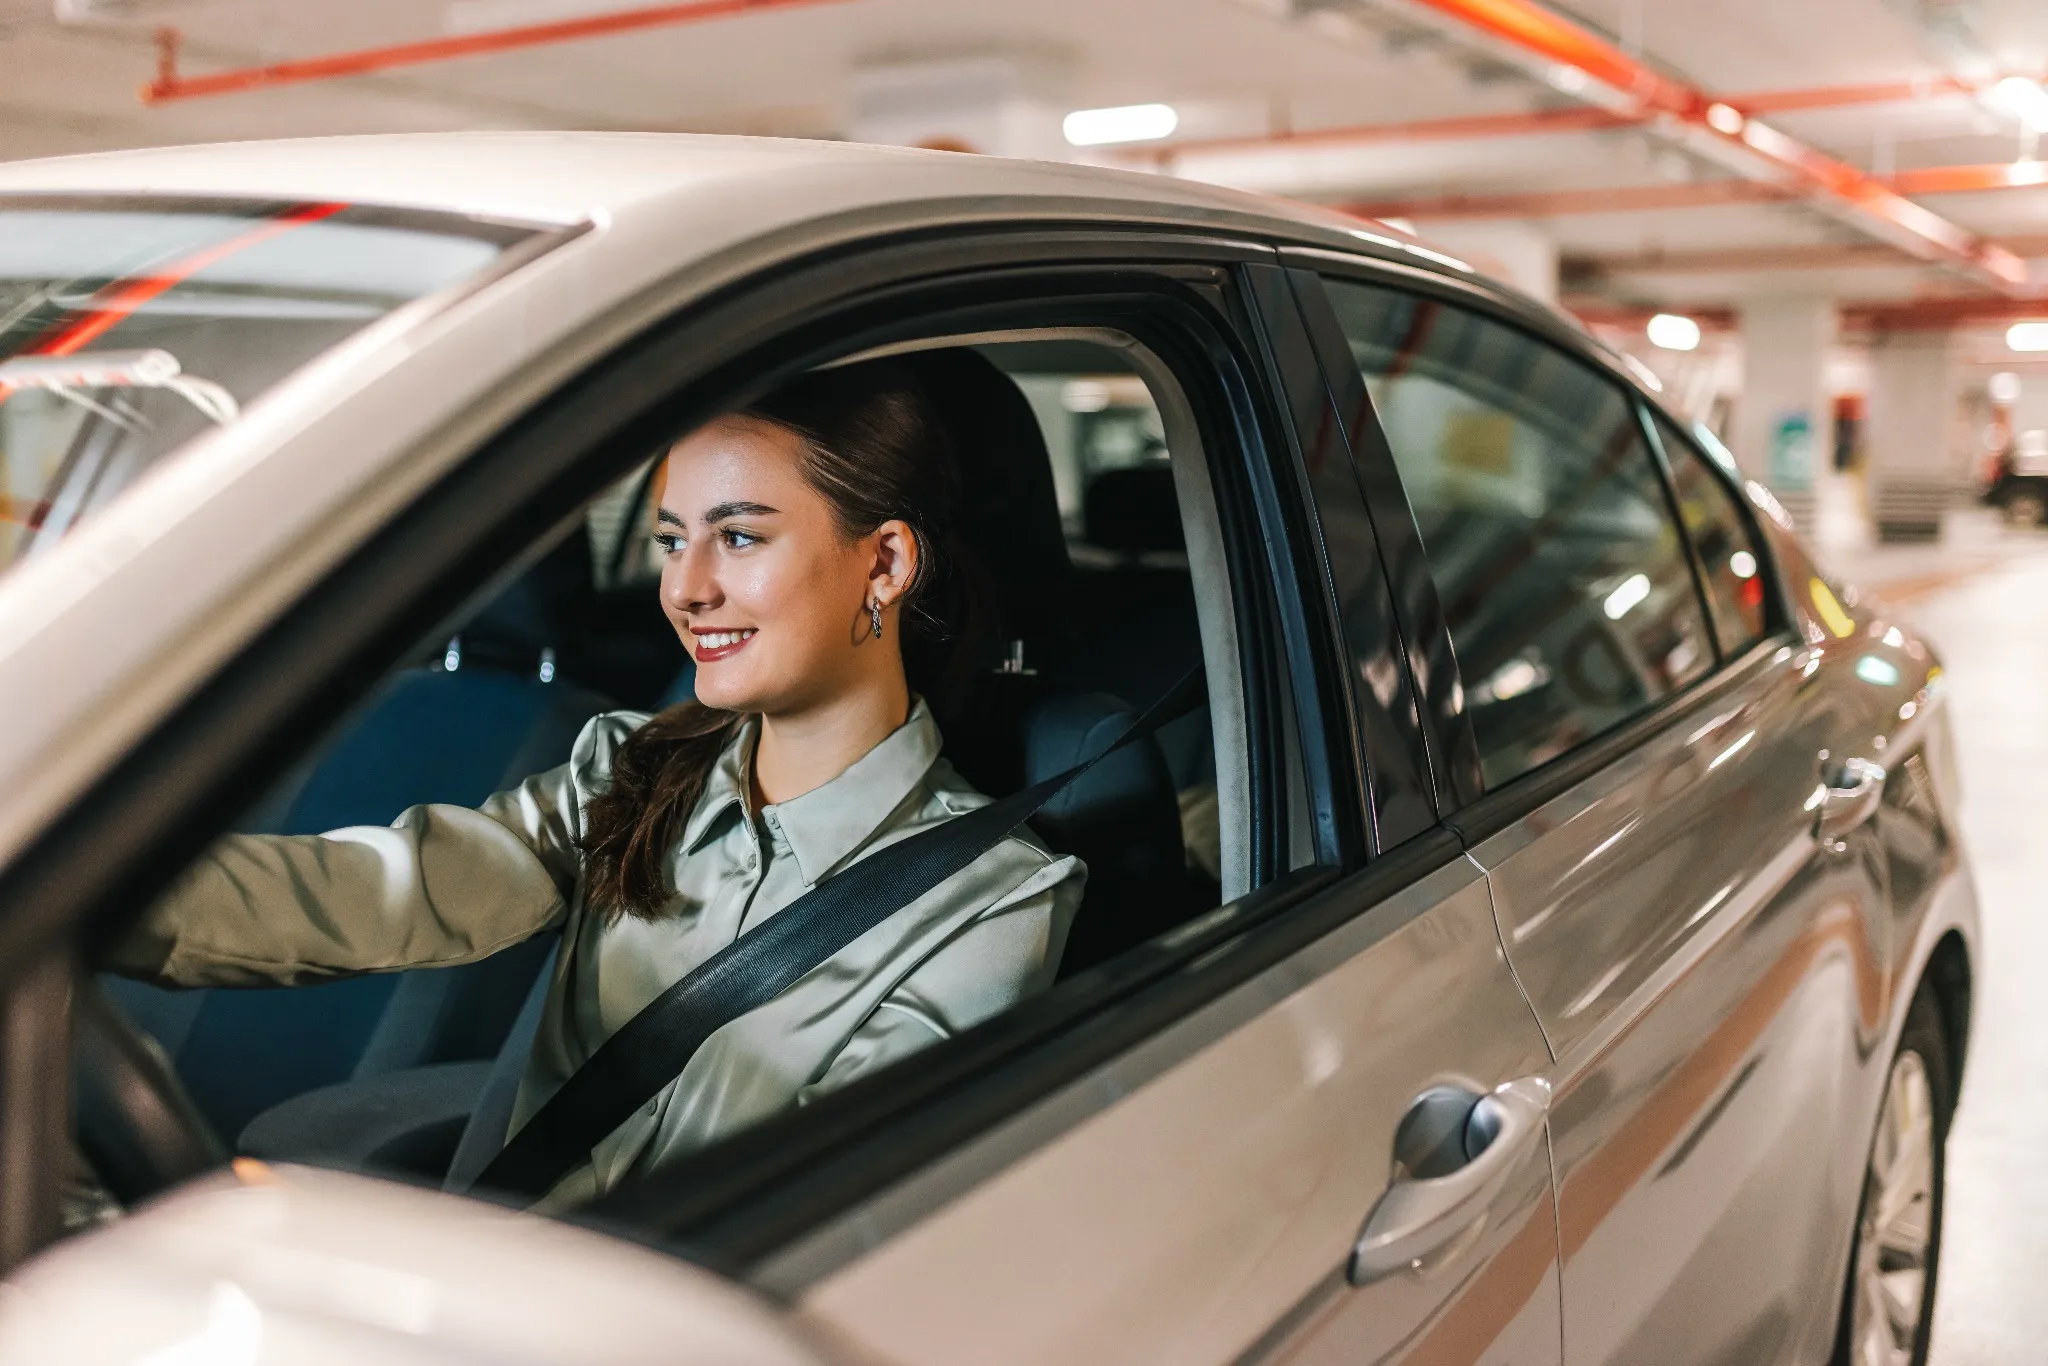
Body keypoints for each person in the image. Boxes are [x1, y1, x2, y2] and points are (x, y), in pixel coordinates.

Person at [107, 358, 1087, 1209]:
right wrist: (92, 899)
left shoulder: (990, 902)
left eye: (738, 537)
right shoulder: (633, 765)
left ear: (882, 562)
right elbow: (387, 887)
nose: (685, 587)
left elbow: (829, 1214)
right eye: (670, 539)